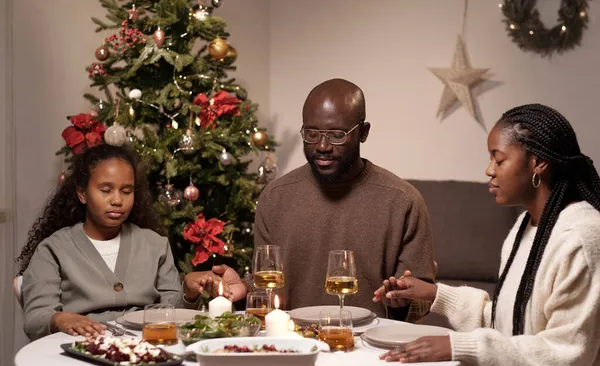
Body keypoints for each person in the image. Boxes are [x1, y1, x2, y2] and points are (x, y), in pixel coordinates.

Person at [374, 104, 600, 366]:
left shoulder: (581, 236)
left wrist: (460, 347)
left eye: (499, 159)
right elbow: (511, 326)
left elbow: (564, 353)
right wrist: (435, 295)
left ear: (538, 162)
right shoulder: (525, 227)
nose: (489, 171)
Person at [191, 78, 435, 321]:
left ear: (363, 132)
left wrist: (405, 298)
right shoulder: (276, 197)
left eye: (337, 135)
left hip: (370, 348)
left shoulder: (403, 201)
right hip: (292, 344)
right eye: (311, 133)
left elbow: (422, 299)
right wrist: (246, 288)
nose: (322, 145)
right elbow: (269, 289)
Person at [18, 145, 230, 340]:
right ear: (82, 193)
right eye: (106, 190)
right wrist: (58, 319)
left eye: (126, 191)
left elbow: (170, 311)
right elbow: (35, 318)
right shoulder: (53, 249)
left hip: (147, 349)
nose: (117, 200)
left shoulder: (155, 245)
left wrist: (188, 291)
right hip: (81, 350)